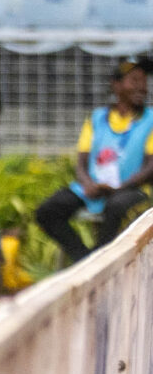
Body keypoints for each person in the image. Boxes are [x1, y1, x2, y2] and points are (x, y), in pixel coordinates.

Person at [36, 56, 153, 263]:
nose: (142, 87)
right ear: (116, 85)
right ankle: (85, 260)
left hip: (132, 190)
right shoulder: (97, 118)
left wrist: (121, 187)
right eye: (134, 80)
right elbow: (81, 161)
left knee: (116, 207)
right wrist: (88, 183)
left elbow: (150, 166)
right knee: (47, 211)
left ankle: (100, 261)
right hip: (94, 188)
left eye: (144, 81)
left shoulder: (150, 119)